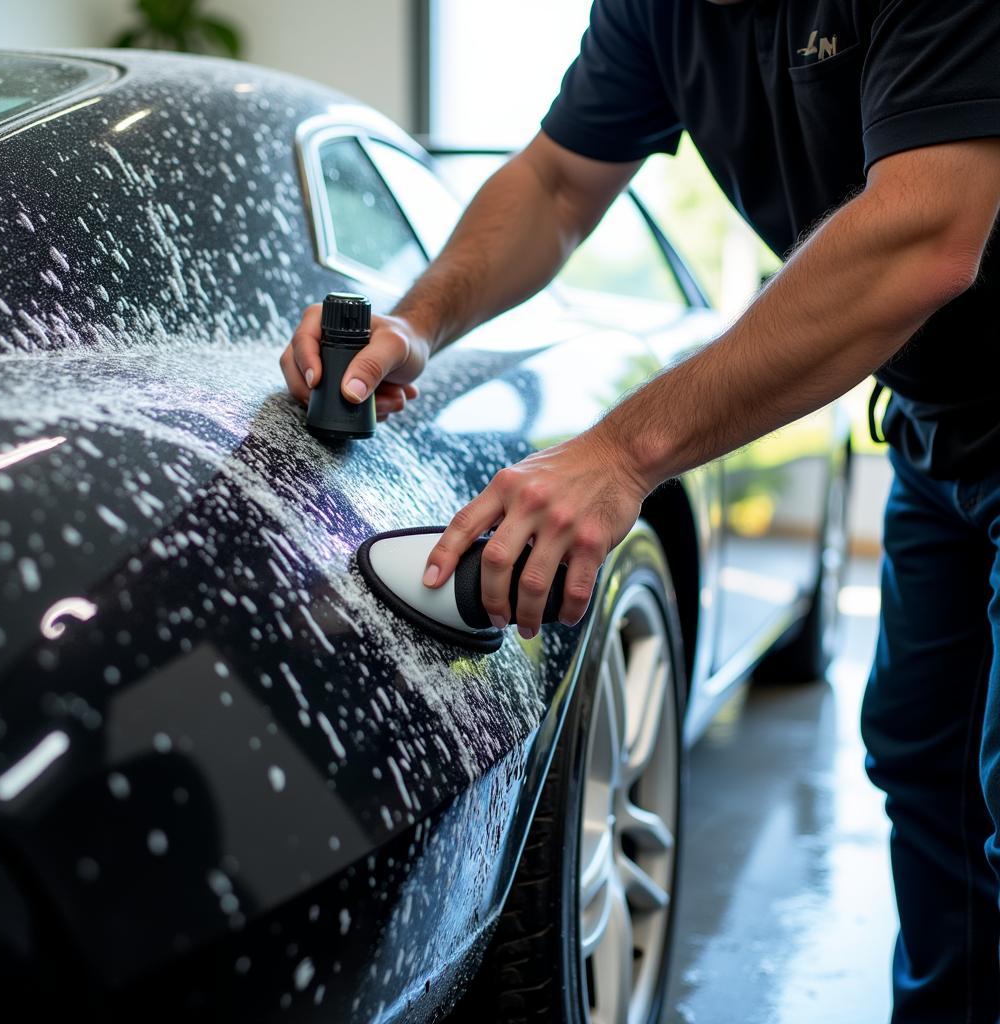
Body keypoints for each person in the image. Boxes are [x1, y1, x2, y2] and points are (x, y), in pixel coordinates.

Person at [281, 0, 1000, 1017]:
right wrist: (415, 318)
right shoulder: (655, 12)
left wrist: (621, 453)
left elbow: (928, 229)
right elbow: (556, 182)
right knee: (927, 772)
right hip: (936, 429)